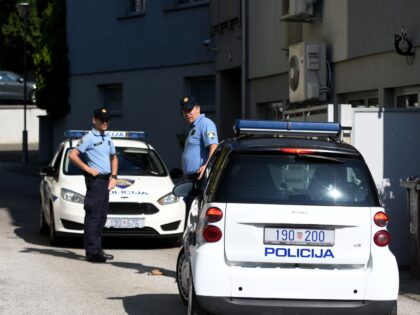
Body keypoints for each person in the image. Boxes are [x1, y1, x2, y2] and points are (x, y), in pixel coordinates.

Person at [69, 107, 118, 263]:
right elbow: (73, 155)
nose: (105, 122)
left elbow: (114, 157)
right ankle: (92, 252)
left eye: (107, 120)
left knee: (101, 216)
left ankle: (97, 248)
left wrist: (114, 177)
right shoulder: (89, 137)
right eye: (101, 119)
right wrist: (88, 169)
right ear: (94, 120)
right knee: (93, 216)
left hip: (105, 181)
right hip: (95, 182)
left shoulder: (108, 138)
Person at [180, 96, 219, 181]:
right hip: (193, 178)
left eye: (190, 110)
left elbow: (214, 146)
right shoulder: (194, 127)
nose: (187, 113)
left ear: (198, 109)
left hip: (201, 176)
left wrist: (207, 166)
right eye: (184, 111)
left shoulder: (205, 123)